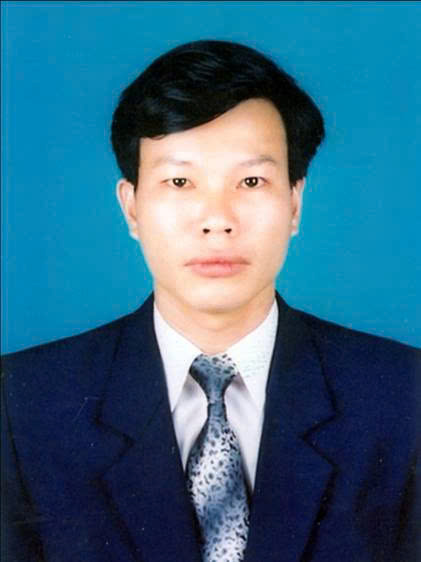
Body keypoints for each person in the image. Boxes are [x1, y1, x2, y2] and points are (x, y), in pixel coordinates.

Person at [1, 40, 419, 562]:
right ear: (132, 208)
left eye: (251, 181)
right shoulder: (21, 404)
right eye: (180, 181)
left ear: (294, 203)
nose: (217, 219)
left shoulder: (404, 397)